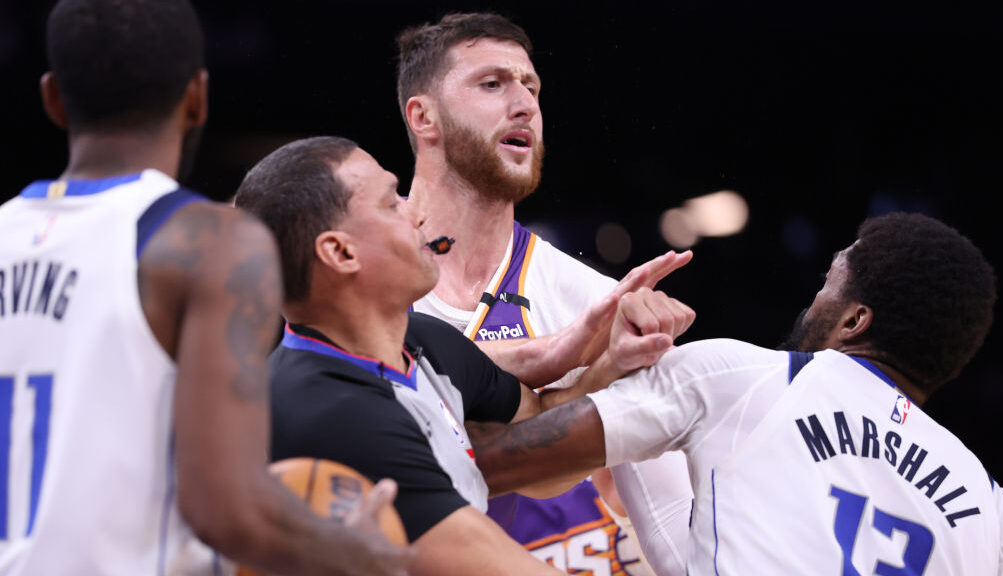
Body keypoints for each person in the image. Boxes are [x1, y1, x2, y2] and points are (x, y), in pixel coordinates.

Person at [0, 1, 411, 575]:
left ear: (51, 98)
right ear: (197, 97)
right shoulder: (207, 242)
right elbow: (227, 510)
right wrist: (365, 555)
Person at [232, 135, 695, 576]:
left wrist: (616, 364)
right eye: (392, 203)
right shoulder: (331, 415)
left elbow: (540, 443)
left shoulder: (424, 343)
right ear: (340, 252)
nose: (417, 215)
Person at [469, 212, 1003, 575]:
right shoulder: (996, 510)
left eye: (827, 284)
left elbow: (492, 466)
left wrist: (610, 363)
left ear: (854, 320)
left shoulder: (741, 374)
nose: (812, 303)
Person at [394, 12, 693, 573]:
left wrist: (604, 372)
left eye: (531, 87)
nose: (525, 103)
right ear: (423, 116)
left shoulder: (596, 302)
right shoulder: (350, 267)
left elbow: (679, 526)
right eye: (492, 84)